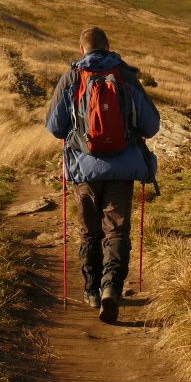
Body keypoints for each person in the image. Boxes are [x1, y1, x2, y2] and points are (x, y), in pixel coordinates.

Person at [45, 26, 160, 323]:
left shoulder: (71, 78)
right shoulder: (125, 76)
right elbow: (151, 126)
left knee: (90, 231)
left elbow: (55, 127)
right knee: (117, 231)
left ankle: (92, 290)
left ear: (82, 50)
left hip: (84, 169)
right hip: (123, 168)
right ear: (108, 47)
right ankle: (112, 289)